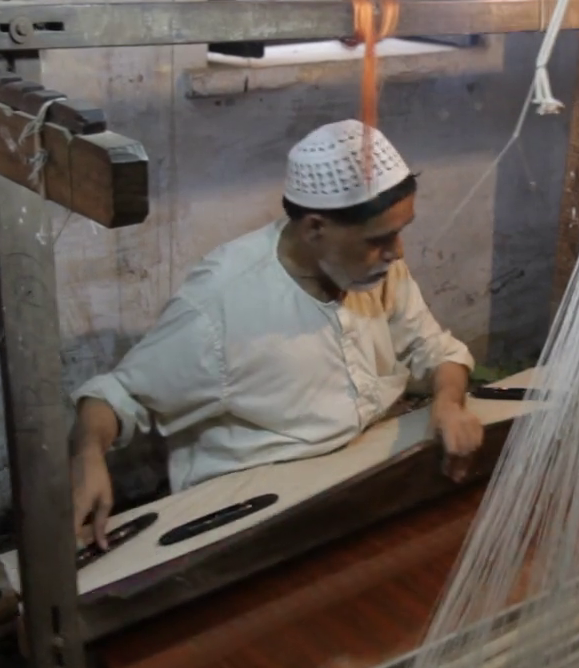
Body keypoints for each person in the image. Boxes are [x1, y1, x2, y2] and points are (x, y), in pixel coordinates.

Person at [68, 120, 484, 548]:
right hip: (255, 517)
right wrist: (87, 456)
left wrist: (448, 404)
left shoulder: (374, 269)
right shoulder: (219, 308)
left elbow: (433, 348)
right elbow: (114, 398)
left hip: (355, 482)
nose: (397, 251)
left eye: (400, 232)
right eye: (380, 239)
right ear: (315, 228)